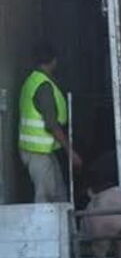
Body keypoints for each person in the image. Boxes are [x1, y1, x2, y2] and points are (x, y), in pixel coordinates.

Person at [18, 42, 82, 202]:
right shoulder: (44, 86)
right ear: (54, 61)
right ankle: (45, 227)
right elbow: (52, 124)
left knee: (58, 195)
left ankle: (60, 227)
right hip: (38, 152)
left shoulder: (33, 80)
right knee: (45, 198)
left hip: (40, 150)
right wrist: (70, 152)